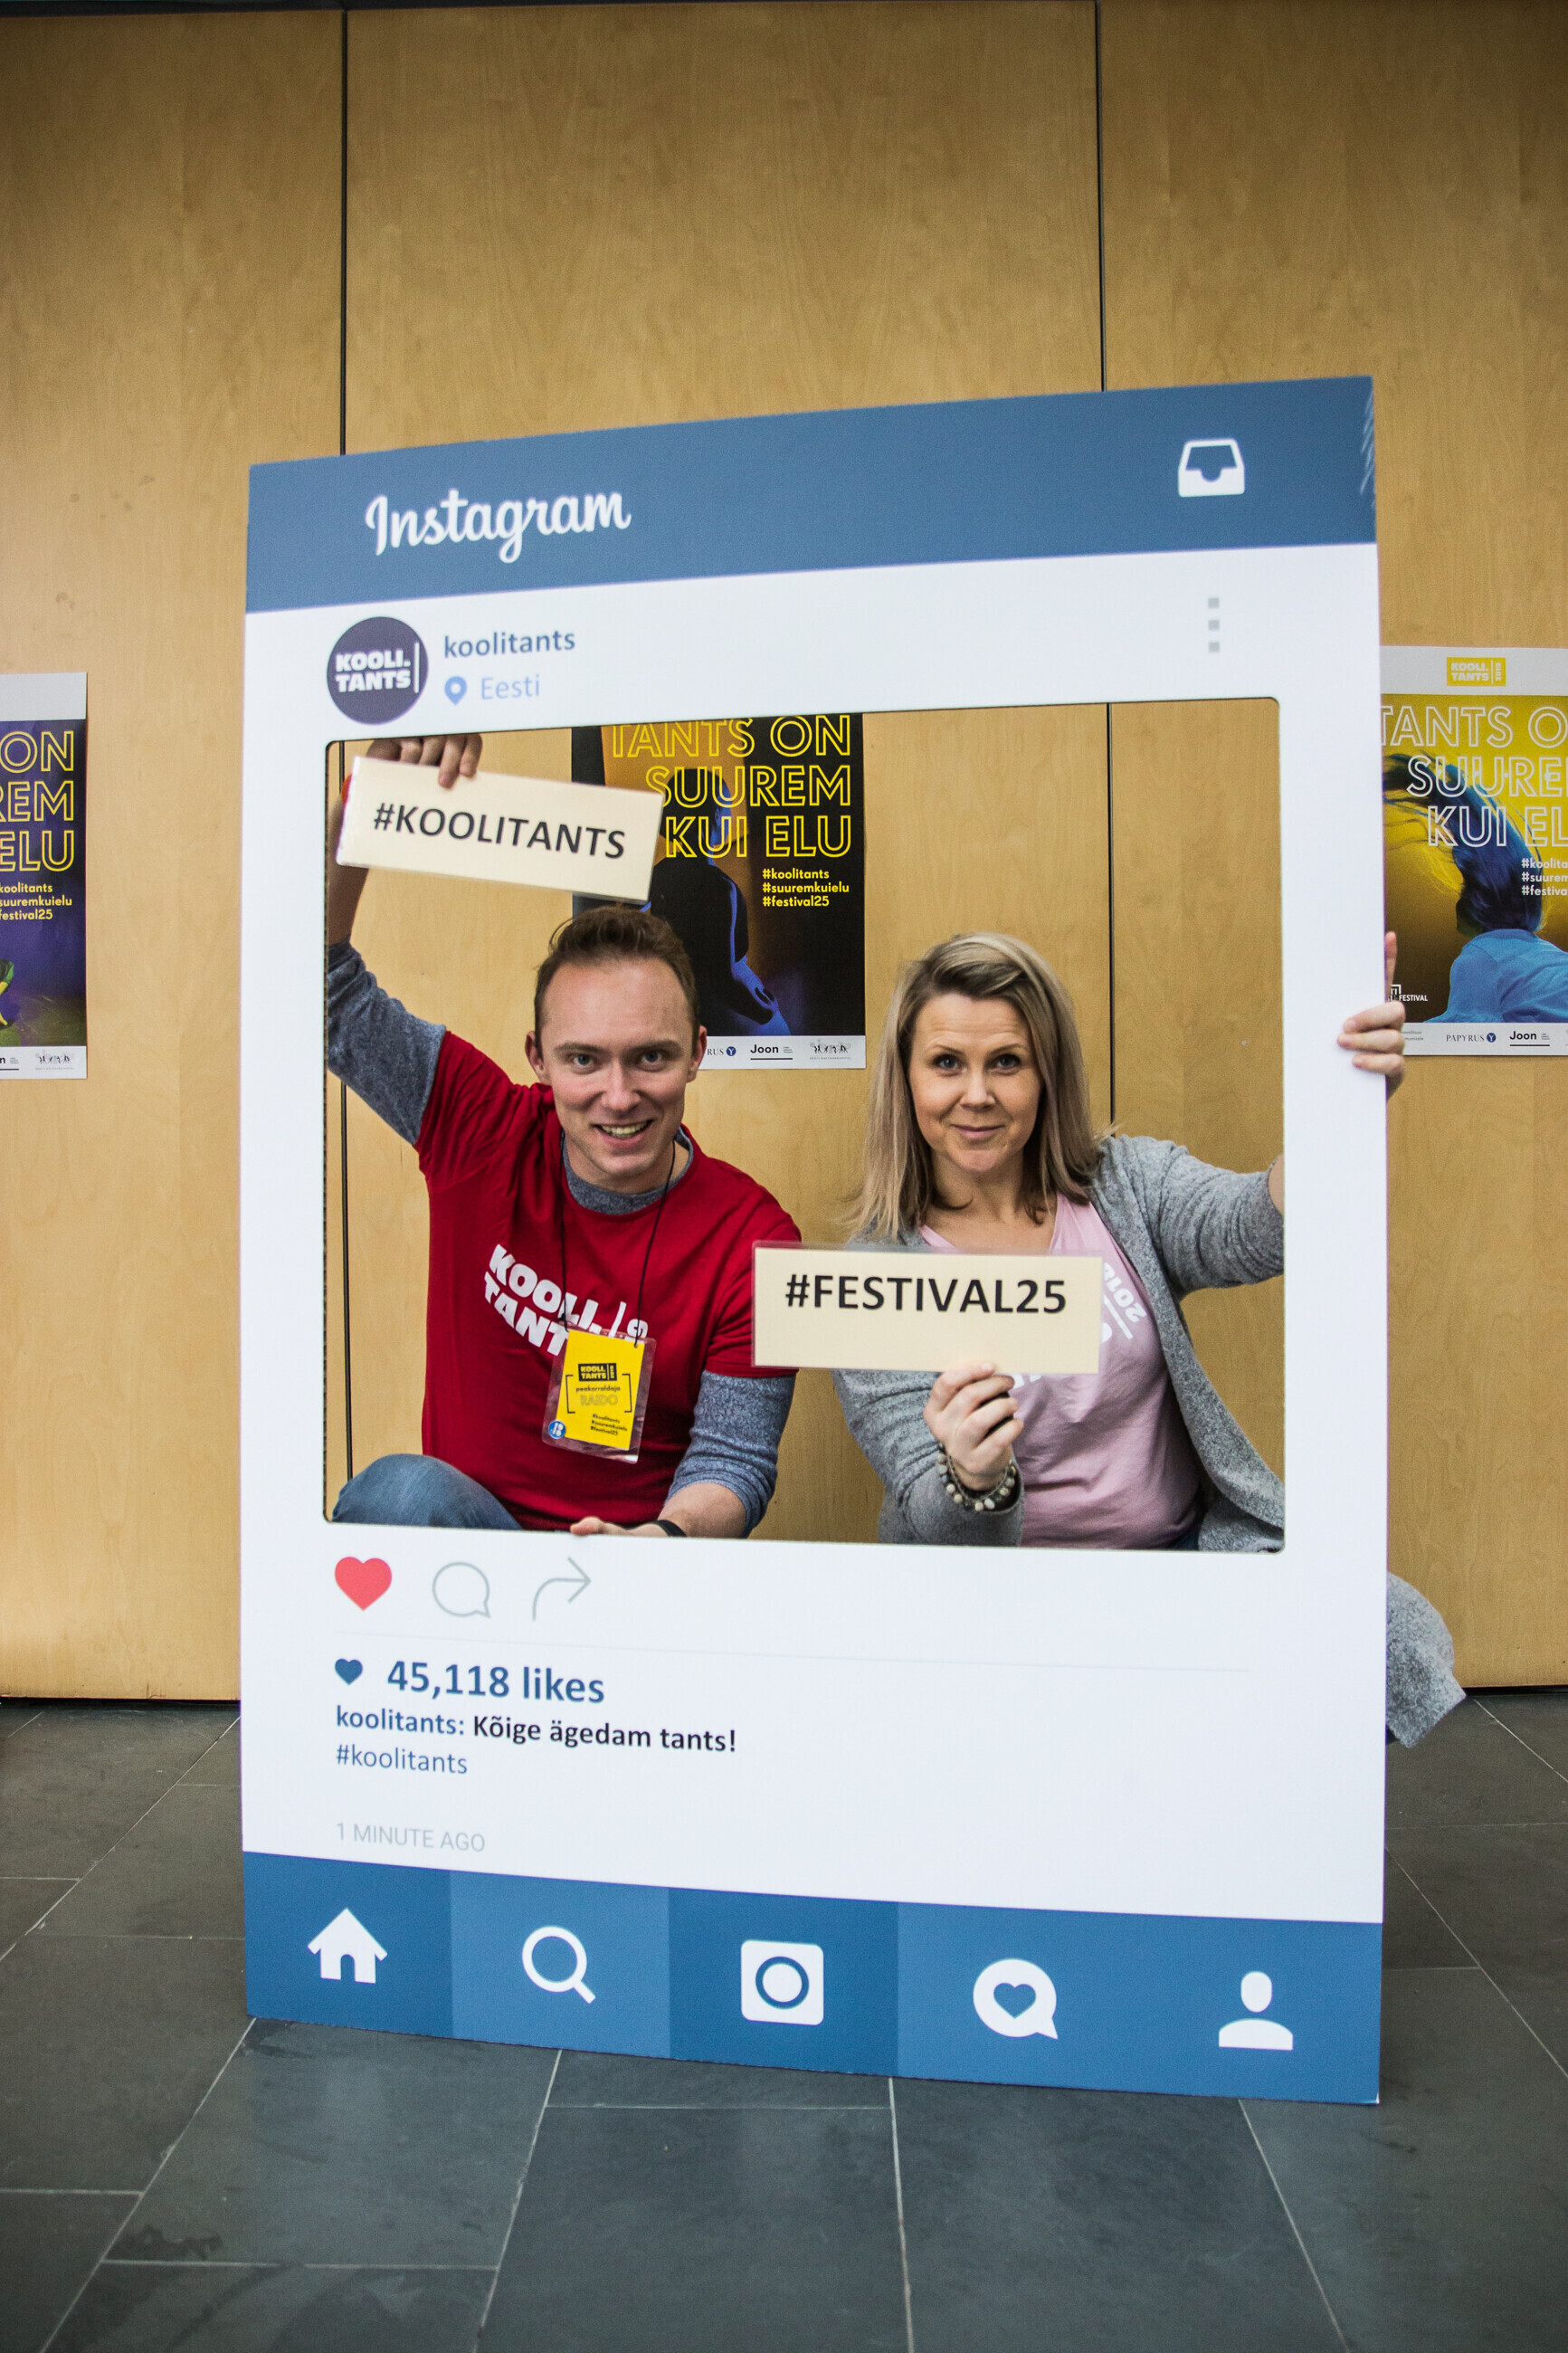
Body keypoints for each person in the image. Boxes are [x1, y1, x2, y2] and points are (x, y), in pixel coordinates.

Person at [832, 929, 1463, 1745]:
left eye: (1007, 1062)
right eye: (946, 1063)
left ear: (1047, 1074)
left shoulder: (1123, 1185)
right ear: (906, 1078)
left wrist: (1337, 1101)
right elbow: (935, 1515)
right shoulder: (877, 1272)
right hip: (993, 1603)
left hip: (1179, 1567)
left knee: (1379, 1632)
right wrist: (970, 1476)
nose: (976, 1095)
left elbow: (1255, 1226)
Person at [328, 732, 799, 1539]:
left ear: (696, 1054)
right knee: (398, 1492)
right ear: (538, 1058)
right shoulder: (477, 1124)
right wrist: (352, 823)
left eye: (650, 1057)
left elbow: (734, 1459)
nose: (618, 1096)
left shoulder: (752, 1239)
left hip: (630, 1573)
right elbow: (320, 986)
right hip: (467, 1560)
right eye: (584, 1059)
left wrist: (661, 1541)